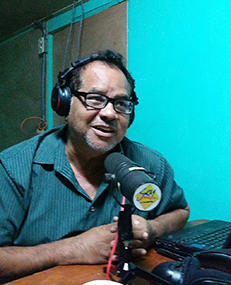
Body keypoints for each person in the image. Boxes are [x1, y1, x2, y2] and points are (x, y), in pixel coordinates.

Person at [0, 49, 190, 282]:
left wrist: (152, 230)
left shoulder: (150, 164)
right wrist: (72, 249)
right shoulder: (13, 168)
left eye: (121, 103)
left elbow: (180, 213)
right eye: (96, 99)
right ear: (65, 103)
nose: (110, 113)